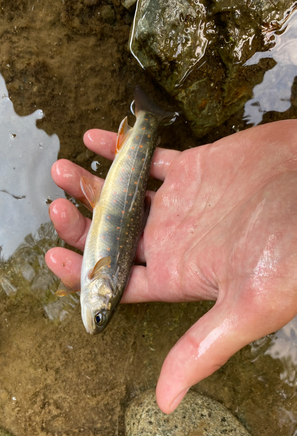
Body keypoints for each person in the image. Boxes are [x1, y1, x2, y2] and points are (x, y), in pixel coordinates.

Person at [45, 120, 297, 414]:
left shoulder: (94, 279)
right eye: (99, 316)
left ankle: (145, 124)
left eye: (99, 318)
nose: (94, 318)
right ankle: (147, 123)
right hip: (120, 204)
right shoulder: (99, 278)